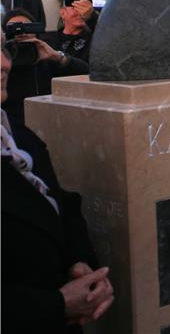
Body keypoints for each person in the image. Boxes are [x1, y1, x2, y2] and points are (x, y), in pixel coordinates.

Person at [1, 35, 114, 332]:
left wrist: (80, 264)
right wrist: (56, 304)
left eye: (3, 48)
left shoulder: (20, 135)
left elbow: (63, 205)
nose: (4, 63)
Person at [3, 8, 89, 123]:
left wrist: (58, 57)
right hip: (12, 126)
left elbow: (86, 73)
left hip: (46, 122)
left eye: (26, 27)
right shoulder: (3, 63)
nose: (21, 32)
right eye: (13, 28)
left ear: (35, 30)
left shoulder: (48, 57)